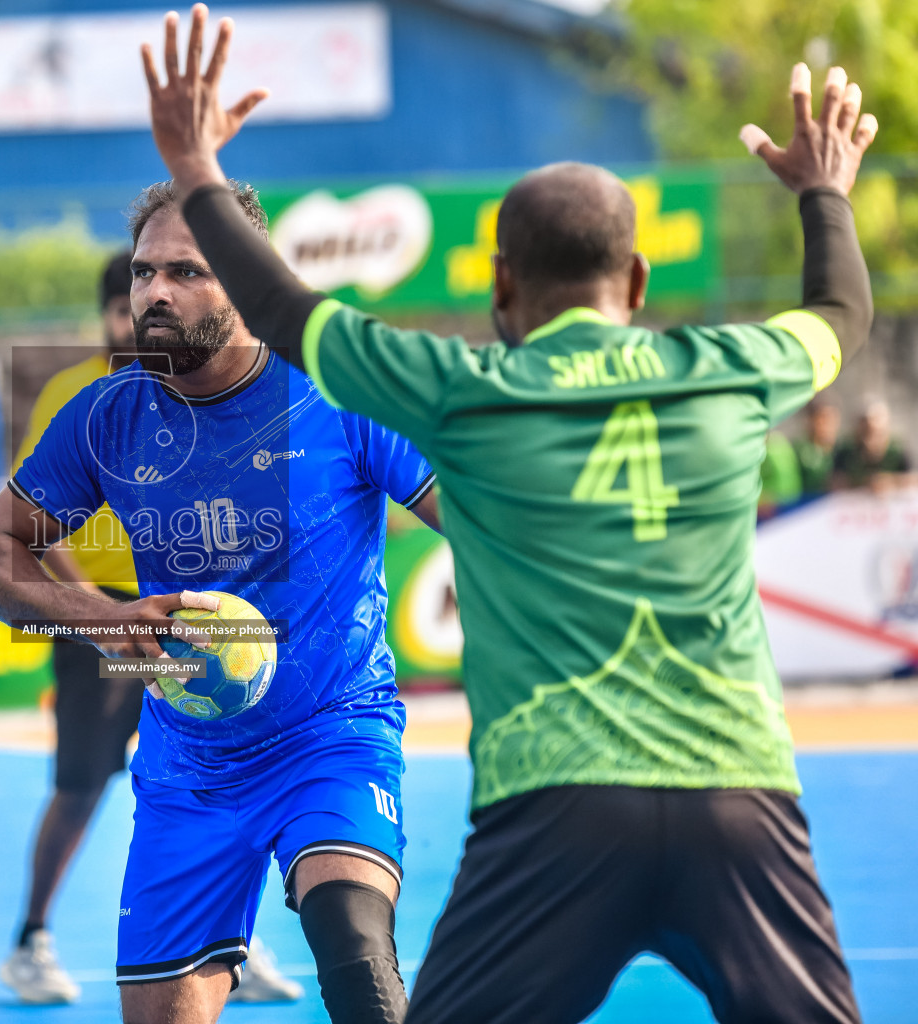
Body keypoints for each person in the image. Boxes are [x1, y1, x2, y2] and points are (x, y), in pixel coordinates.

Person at [140, 8, 873, 1021]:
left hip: (553, 806)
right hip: (736, 792)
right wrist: (824, 194)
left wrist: (195, 165)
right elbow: (840, 316)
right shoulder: (735, 373)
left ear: (501, 285)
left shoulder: (462, 390)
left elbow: (281, 311)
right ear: (639, 281)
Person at [0, 182, 437, 1021]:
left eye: (185, 270)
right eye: (144, 274)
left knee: (354, 950)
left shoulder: (340, 393)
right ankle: (34, 933)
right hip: (188, 769)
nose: (154, 293)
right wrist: (104, 620)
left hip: (332, 735)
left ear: (247, 285)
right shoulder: (105, 415)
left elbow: (477, 520)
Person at [0, 251, 301, 1004]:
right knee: (85, 781)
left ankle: (231, 937)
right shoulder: (82, 396)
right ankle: (31, 938)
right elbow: (35, 525)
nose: (129, 310)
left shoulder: (209, 392)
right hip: (111, 630)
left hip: (193, 626)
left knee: (219, 769)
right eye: (121, 296)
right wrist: (99, 615)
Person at [831, 398, 911, 492]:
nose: (869, 429)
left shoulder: (897, 450)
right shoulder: (846, 451)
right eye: (865, 428)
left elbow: (911, 480)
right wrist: (864, 483)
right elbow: (834, 482)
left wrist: (889, 482)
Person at [795, 398, 841, 497]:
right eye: (822, 419)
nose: (826, 425)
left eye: (831, 419)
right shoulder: (800, 452)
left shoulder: (843, 452)